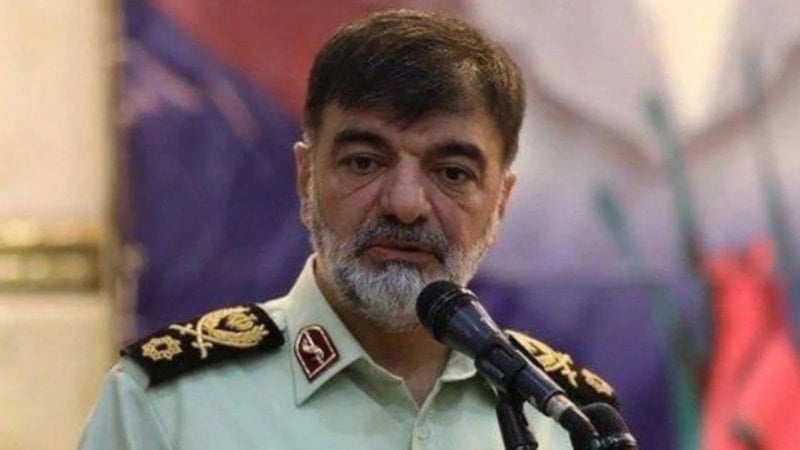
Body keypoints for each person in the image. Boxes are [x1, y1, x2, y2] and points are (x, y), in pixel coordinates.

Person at [78, 9, 617, 449]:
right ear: (306, 180)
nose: (405, 205)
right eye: (365, 162)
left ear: (500, 204)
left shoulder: (566, 420)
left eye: (452, 173)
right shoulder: (170, 408)